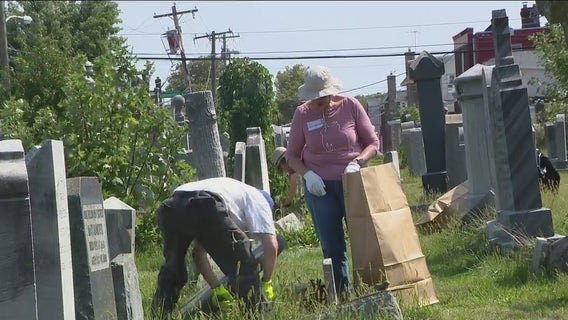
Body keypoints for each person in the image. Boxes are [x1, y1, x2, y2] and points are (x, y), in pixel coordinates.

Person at [285, 66, 380, 297]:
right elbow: (292, 156)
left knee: (365, 239)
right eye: (315, 100)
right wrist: (307, 175)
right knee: (332, 246)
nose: (321, 104)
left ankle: (373, 287)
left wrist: (357, 161)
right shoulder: (302, 114)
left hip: (352, 182)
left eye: (324, 98)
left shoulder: (351, 106)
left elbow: (373, 144)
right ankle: (342, 294)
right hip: (320, 187)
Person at [151, 177, 278, 314]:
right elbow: (271, 244)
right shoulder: (259, 200)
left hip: (171, 207)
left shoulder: (233, 195)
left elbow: (199, 253)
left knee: (173, 270)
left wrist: (216, 287)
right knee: (244, 265)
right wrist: (266, 281)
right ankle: (257, 313)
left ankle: (160, 313)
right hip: (205, 203)